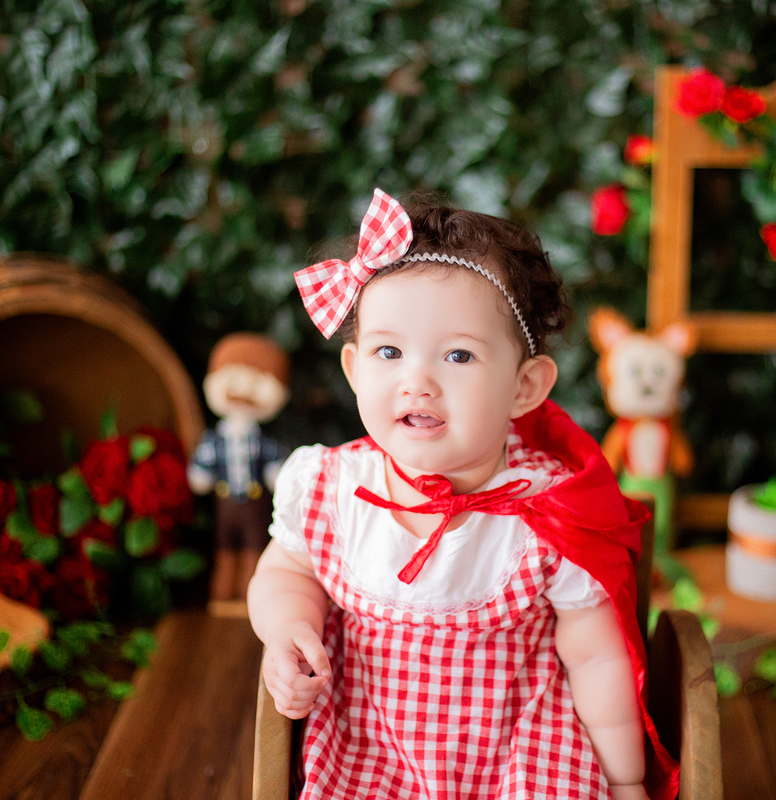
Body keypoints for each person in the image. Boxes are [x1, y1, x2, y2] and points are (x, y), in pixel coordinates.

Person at [247, 190, 678, 800]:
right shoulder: (329, 488)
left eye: (458, 355)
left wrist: (625, 778)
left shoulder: (546, 508)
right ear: (353, 369)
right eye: (389, 352)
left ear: (525, 387)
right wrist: (288, 626)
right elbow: (287, 571)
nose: (417, 380)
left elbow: (595, 657)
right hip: (372, 748)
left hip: (522, 752)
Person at [188, 332, 289, 607]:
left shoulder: (263, 442)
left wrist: (279, 476)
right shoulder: (215, 439)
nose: (244, 392)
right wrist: (200, 474)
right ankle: (221, 593)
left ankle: (249, 596)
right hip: (225, 503)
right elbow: (202, 470)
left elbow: (274, 467)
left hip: (255, 503)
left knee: (254, 549)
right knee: (223, 549)